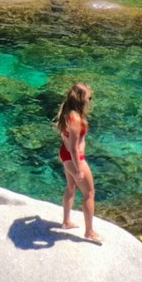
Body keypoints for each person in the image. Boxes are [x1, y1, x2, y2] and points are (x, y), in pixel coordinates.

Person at [56, 81, 101, 243]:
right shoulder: (75, 119)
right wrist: (79, 169)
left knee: (71, 187)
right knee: (89, 194)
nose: (91, 100)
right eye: (90, 97)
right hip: (74, 158)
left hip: (65, 154)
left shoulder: (68, 112)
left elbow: (66, 139)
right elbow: (74, 148)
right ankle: (89, 231)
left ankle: (66, 221)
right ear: (82, 100)